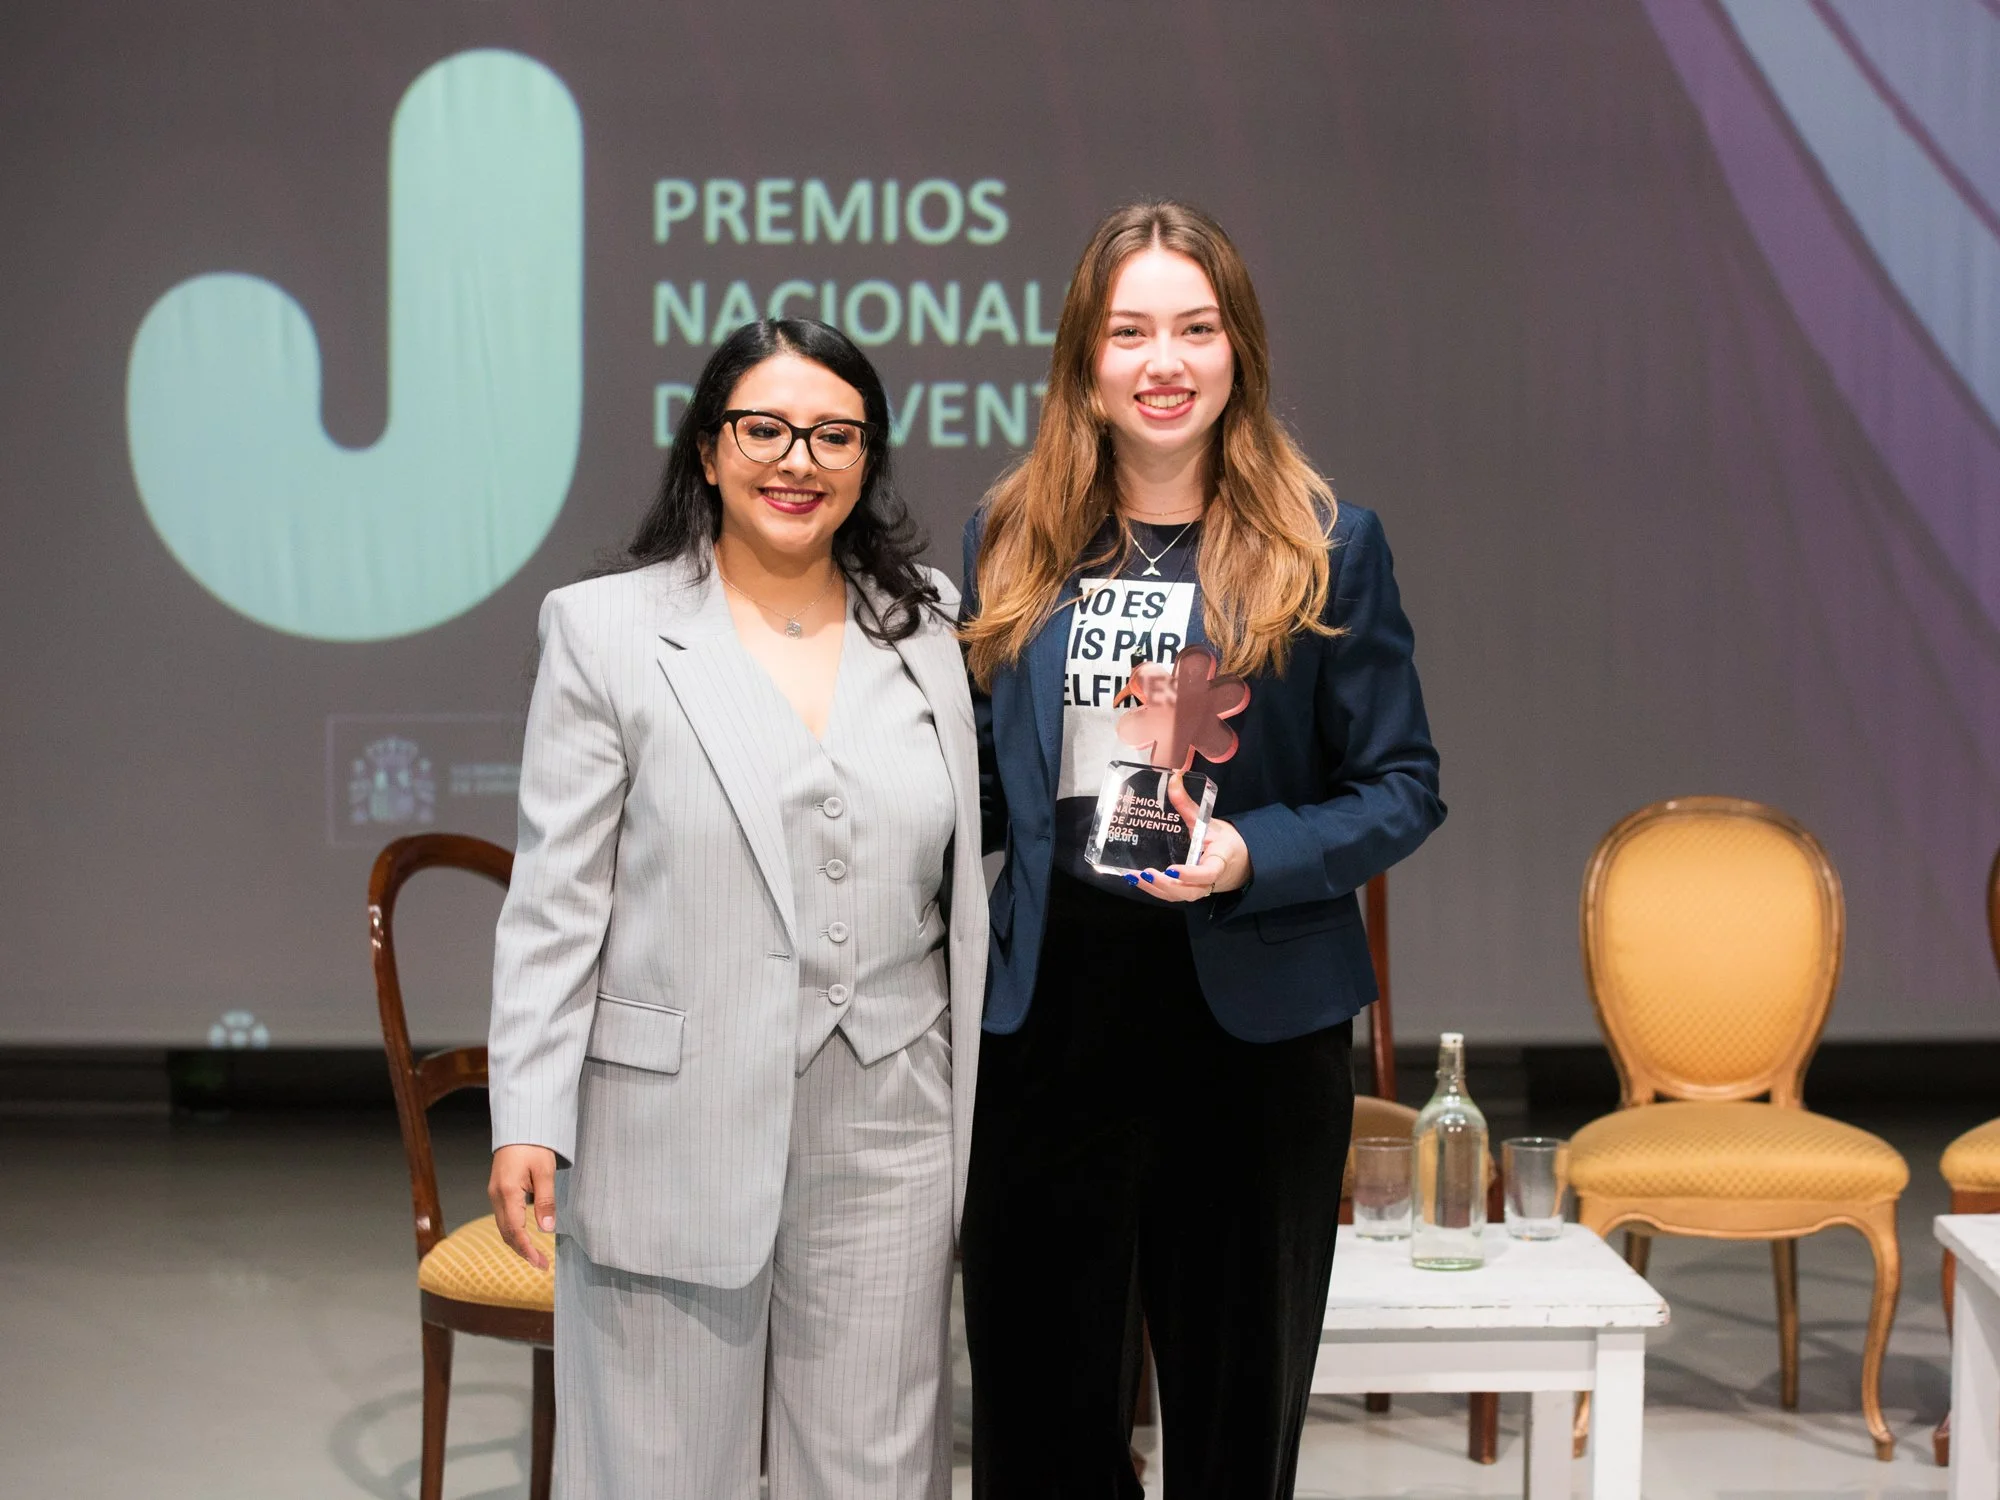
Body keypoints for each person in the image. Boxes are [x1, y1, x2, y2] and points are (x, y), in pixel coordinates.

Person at [957, 201, 1445, 1497]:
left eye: (1194, 326)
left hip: (1253, 1042)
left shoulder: (1327, 548)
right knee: (1037, 1432)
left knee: (1234, 1435)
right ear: (1084, 361)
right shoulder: (1009, 544)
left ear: (1239, 352)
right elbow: (981, 790)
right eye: (1129, 331)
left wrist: (1250, 854)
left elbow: (1403, 788)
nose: (1162, 360)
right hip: (1048, 1033)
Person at [486, 318, 986, 1499]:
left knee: (873, 1470)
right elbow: (557, 900)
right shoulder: (605, 630)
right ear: (708, 450)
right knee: (657, 1468)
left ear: (866, 462)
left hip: (892, 1121)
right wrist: (528, 1113)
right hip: (669, 1119)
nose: (796, 459)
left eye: (832, 435)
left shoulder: (928, 622)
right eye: (763, 429)